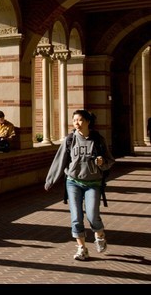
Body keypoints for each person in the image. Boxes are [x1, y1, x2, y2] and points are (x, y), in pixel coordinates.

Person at [44, 109, 115, 261]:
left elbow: (110, 161)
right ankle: (82, 248)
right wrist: (50, 180)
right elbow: (59, 161)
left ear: (88, 122)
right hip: (73, 182)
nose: (77, 123)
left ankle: (100, 234)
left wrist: (102, 163)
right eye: (74, 120)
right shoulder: (70, 140)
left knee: (92, 215)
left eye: (80, 120)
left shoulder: (98, 140)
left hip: (93, 183)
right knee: (76, 217)